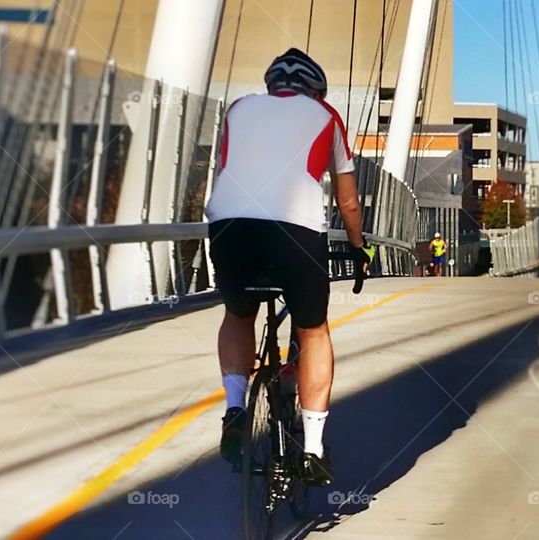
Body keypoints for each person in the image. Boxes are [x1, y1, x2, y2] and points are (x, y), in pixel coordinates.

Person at [205, 48, 375, 486]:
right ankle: (314, 450)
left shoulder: (238, 109)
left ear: (271, 86)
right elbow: (349, 201)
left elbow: (228, 170)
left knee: (238, 313)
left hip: (229, 226)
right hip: (294, 231)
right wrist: (359, 250)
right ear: (315, 90)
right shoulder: (326, 115)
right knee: (313, 329)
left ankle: (236, 408)